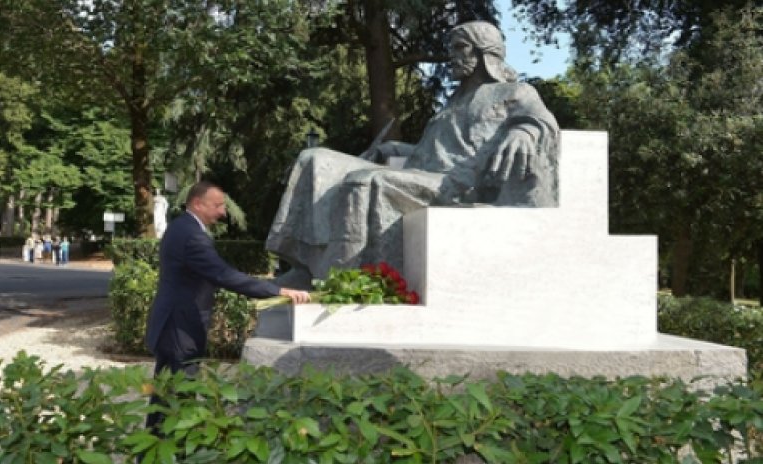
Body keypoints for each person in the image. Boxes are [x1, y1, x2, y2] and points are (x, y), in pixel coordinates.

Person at [266, 21, 560, 285]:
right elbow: (432, 150)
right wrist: (394, 149)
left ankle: (344, 278)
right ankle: (303, 266)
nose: (451, 57)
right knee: (313, 159)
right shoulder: (454, 101)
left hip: (457, 184)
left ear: (485, 53)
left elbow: (541, 121)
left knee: (365, 181)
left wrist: (525, 132)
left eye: (460, 48)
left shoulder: (515, 91)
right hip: (420, 174)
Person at [143, 181, 310, 433]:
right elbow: (223, 275)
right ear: (198, 204)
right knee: (179, 401)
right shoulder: (191, 236)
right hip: (180, 329)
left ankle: (151, 454)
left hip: (171, 325)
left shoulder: (181, 227)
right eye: (218, 205)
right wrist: (278, 290)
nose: (223, 211)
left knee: (164, 400)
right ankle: (173, 455)